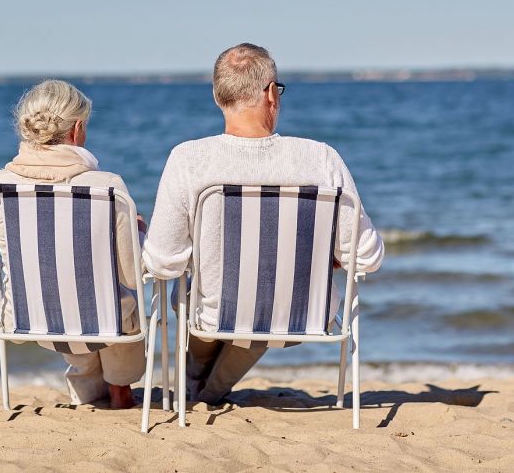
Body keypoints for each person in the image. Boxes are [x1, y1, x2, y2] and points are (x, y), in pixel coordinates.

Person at [142, 43, 384, 404]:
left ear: (216, 96)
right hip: (302, 314)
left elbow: (162, 262)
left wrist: (207, 255)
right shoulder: (321, 159)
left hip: (212, 315)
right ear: (271, 93)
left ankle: (195, 388)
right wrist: (316, 256)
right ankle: (205, 390)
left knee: (203, 291)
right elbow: (367, 258)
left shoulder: (188, 159)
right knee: (274, 282)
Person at [0, 79, 144, 409]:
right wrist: (137, 231)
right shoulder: (107, 187)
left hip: (24, 319)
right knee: (119, 295)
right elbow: (132, 276)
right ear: (77, 131)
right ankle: (120, 388)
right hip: (104, 323)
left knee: (68, 293)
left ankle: (89, 388)